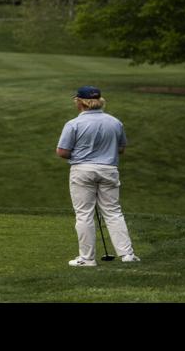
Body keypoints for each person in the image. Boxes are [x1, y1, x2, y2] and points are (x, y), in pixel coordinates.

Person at [57, 85, 138, 266]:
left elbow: (62, 152)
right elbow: (122, 149)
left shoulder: (74, 124)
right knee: (113, 212)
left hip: (83, 170)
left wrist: (80, 154)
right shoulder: (115, 122)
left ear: (80, 102)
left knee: (84, 214)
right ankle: (127, 255)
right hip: (109, 169)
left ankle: (87, 259)